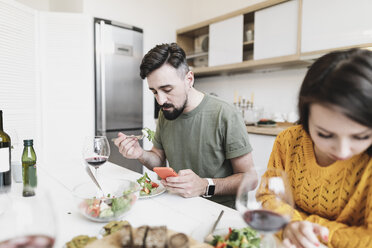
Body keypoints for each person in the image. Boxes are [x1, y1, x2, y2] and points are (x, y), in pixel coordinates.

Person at [114, 43, 257, 208]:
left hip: (221, 212)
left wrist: (205, 185)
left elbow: (250, 178)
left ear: (189, 79)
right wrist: (139, 153)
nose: (160, 100)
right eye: (154, 92)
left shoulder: (224, 113)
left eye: (167, 89)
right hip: (179, 204)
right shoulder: (166, 113)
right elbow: (158, 160)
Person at [263, 48, 372, 248]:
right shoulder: (288, 141)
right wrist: (288, 226)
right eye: (325, 134)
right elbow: (268, 194)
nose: (342, 151)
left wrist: (301, 225)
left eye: (361, 137)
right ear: (305, 117)